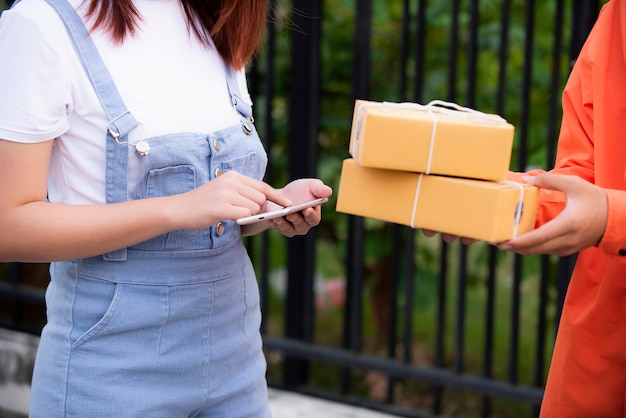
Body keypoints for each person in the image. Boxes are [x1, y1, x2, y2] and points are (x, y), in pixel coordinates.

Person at [0, 0, 332, 416]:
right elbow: (8, 225)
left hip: (237, 359)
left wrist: (269, 204)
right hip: (113, 370)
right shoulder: (42, 24)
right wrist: (176, 208)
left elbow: (209, 215)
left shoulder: (214, 19)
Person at [425, 0, 626, 416]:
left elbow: (606, 207)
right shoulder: (617, 17)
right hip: (604, 342)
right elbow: (587, 174)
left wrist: (612, 217)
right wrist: (505, 201)